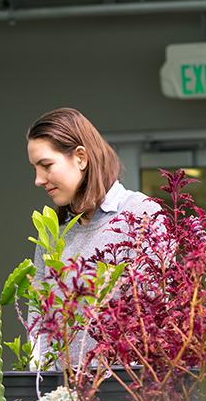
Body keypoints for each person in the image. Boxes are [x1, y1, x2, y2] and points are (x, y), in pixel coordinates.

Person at [26, 107, 161, 364]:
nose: (38, 180)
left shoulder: (141, 213)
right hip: (60, 395)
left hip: (124, 393)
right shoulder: (53, 231)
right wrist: (40, 378)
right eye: (35, 168)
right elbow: (38, 312)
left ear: (80, 157)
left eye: (46, 165)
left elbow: (155, 311)